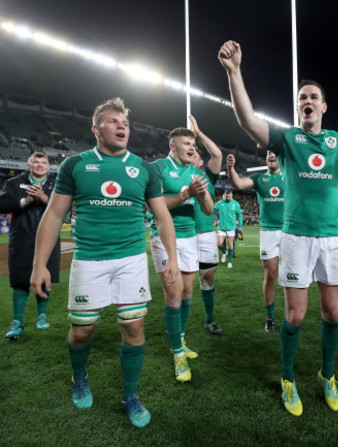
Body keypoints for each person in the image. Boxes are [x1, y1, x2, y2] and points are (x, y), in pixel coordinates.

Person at [219, 39, 338, 416]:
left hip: (331, 239)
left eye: (313, 97)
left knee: (333, 314)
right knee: (296, 316)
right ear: (298, 106)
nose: (307, 101)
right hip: (296, 237)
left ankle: (328, 374)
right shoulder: (289, 139)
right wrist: (234, 72)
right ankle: (288, 378)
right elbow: (248, 120)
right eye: (302, 96)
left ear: (323, 106)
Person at [30, 97, 180, 428]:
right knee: (83, 330)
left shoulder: (144, 168)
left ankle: (130, 396)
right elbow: (54, 214)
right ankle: (79, 377)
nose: (122, 126)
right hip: (89, 260)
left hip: (131, 259)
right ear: (96, 129)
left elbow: (162, 216)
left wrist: (171, 256)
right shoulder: (75, 165)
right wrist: (39, 264)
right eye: (114, 121)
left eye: (125, 122)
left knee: (133, 326)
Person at [151, 126, 214, 382]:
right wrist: (187, 193)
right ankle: (178, 354)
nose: (191, 148)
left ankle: (180, 339)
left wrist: (202, 195)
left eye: (193, 144)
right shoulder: (158, 168)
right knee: (174, 293)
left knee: (188, 292)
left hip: (189, 237)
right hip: (165, 239)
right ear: (172, 146)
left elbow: (209, 210)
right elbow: (156, 204)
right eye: (186, 143)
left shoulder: (196, 172)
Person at [0, 152, 60, 339]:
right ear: (28, 165)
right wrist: (25, 200)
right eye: (36, 162)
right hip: (22, 237)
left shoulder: (56, 184)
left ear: (48, 167)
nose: (40, 165)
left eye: (43, 162)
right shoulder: (14, 183)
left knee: (46, 275)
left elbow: (63, 208)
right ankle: (17, 322)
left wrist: (43, 197)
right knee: (20, 278)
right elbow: (3, 205)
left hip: (49, 237)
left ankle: (41, 316)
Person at [227, 151, 284, 333]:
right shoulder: (260, 178)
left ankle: (293, 315)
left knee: (293, 275)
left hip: (290, 230)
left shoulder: (290, 176)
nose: (270, 155)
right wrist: (230, 168)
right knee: (270, 274)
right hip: (268, 231)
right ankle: (270, 317)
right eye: (267, 153)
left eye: (274, 152)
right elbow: (238, 183)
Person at [188, 115, 224, 336]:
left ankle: (209, 320)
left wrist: (198, 134)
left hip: (205, 233)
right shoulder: (175, 172)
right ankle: (177, 323)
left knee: (207, 275)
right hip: (182, 233)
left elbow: (218, 154)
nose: (192, 155)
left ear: (201, 161)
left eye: (196, 154)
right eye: (189, 151)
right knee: (181, 282)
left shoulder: (206, 175)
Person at [214, 189, 242, 268]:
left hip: (231, 227)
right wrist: (213, 220)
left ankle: (229, 262)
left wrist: (240, 226)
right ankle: (224, 251)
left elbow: (239, 215)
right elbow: (213, 211)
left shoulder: (235, 204)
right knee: (218, 243)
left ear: (232, 195)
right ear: (224, 195)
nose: (228, 198)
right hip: (222, 227)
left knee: (230, 244)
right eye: (226, 196)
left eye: (229, 196)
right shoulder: (220, 203)